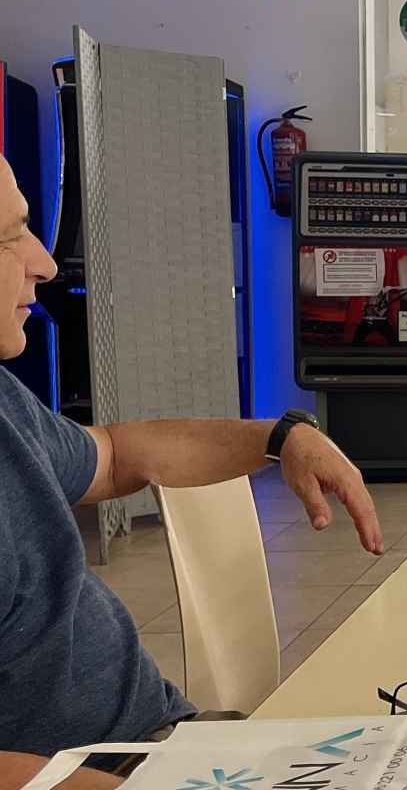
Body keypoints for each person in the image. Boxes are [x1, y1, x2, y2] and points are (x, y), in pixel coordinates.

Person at [0, 156, 384, 790]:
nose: (43, 261)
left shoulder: (7, 405)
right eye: (11, 236)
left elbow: (118, 456)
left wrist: (281, 437)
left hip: (171, 746)